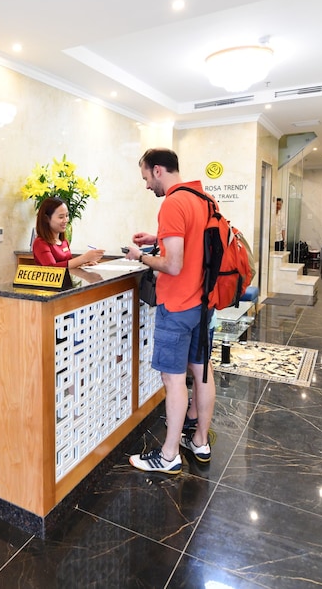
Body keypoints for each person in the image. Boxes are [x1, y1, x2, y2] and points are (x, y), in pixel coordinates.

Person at [124, 148, 214, 474]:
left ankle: (168, 455)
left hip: (177, 306)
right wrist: (157, 237)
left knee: (174, 381)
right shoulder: (203, 198)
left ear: (158, 170)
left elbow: (173, 265)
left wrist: (140, 256)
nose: (147, 185)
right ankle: (200, 441)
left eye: (146, 177)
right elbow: (194, 243)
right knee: (202, 373)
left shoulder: (173, 202)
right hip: (204, 304)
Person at [32, 197, 104, 268]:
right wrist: (83, 258)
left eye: (67, 215)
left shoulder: (64, 241)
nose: (65, 220)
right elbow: (52, 268)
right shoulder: (40, 243)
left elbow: (68, 264)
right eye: (61, 217)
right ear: (46, 218)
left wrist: (83, 264)